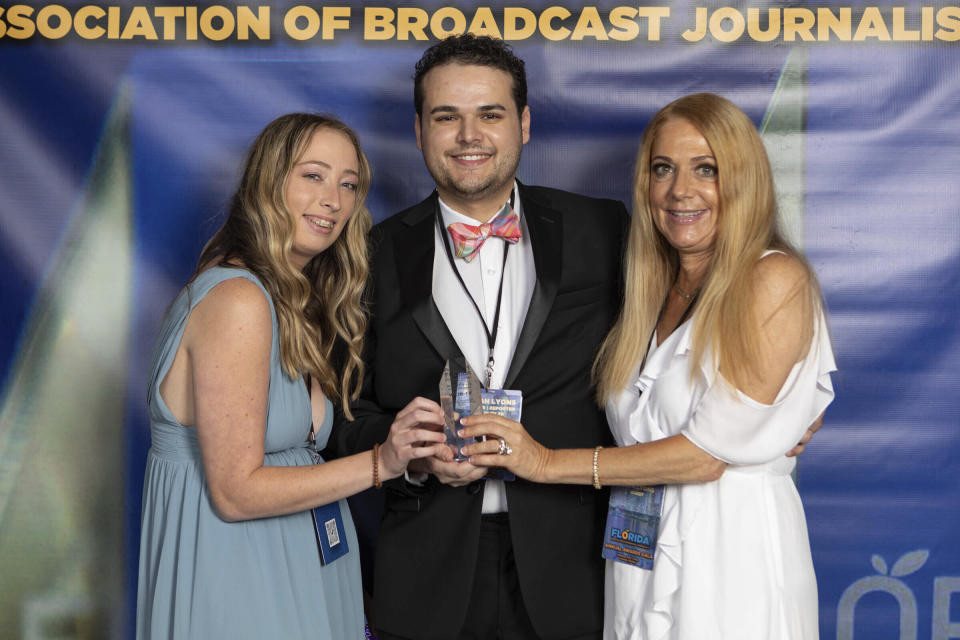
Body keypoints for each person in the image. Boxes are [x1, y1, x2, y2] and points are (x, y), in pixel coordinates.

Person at [459, 93, 835, 639]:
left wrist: (543, 463)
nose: (681, 190)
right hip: (637, 544)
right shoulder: (648, 288)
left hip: (730, 554)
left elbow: (706, 456)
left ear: (746, 180)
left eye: (707, 169)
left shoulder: (772, 279)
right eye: (664, 169)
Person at [329, 35, 629, 640]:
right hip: (425, 573)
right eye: (447, 116)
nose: (469, 135)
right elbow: (338, 416)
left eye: (489, 114)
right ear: (418, 130)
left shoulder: (603, 229)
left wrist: (764, 401)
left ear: (523, 123)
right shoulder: (367, 253)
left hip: (572, 569)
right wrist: (410, 457)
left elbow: (680, 333)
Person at [135, 113, 446, 639]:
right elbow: (236, 494)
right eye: (313, 175)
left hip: (299, 570)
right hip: (237, 579)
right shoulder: (238, 300)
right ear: (267, 182)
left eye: (349, 184)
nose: (334, 199)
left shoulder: (293, 301)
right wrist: (383, 462)